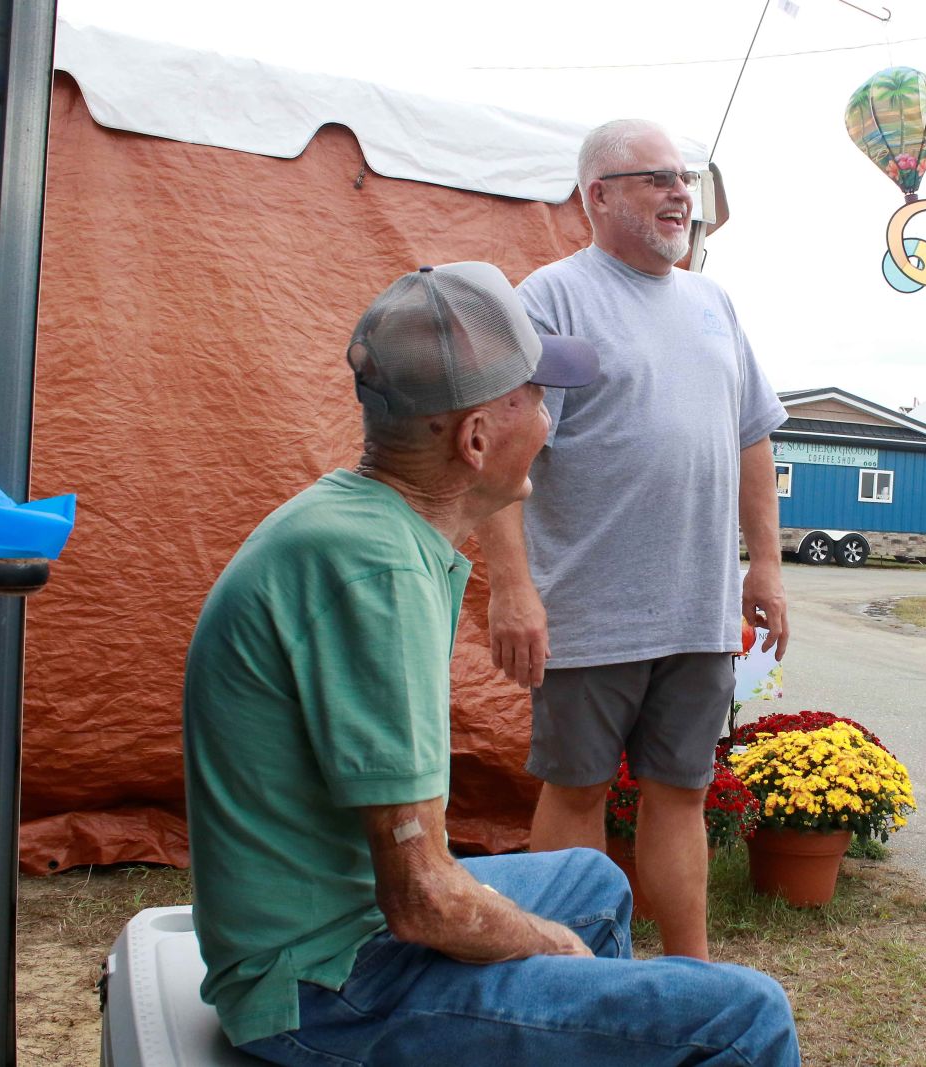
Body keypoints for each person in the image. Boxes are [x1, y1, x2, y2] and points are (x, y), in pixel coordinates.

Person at [182, 261, 800, 1065]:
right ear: (476, 438)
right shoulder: (377, 573)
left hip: (346, 924)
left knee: (592, 878)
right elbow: (423, 897)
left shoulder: (371, 524)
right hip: (325, 987)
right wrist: (552, 947)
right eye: (539, 398)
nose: (551, 419)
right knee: (746, 1014)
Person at [477, 119, 789, 961]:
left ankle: (690, 981)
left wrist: (765, 561)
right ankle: (564, 978)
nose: (679, 191)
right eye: (654, 178)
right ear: (598, 197)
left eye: (683, 176)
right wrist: (512, 586)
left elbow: (752, 435)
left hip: (697, 607)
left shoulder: (714, 302)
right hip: (588, 607)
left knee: (680, 792)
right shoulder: (550, 299)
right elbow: (502, 454)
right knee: (575, 789)